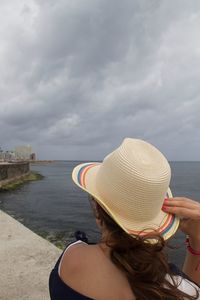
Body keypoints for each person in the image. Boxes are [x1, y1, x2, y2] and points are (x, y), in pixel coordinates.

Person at [49, 138, 200, 299]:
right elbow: (192, 289)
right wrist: (197, 241)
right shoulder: (170, 289)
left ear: (97, 208)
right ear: (158, 219)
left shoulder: (71, 257)